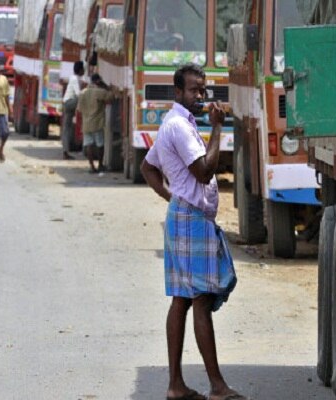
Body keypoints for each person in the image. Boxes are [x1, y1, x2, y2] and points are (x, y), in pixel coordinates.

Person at [140, 63, 246, 400]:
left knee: (183, 300)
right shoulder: (181, 128)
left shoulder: (175, 123)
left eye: (203, 90)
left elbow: (149, 166)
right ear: (178, 93)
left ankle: (176, 385)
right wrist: (218, 129)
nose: (200, 96)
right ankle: (216, 386)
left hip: (184, 216)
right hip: (190, 220)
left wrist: (171, 197)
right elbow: (204, 171)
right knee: (198, 299)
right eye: (194, 90)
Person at [76, 73, 116, 173]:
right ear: (98, 81)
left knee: (89, 144)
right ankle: (100, 165)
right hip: (97, 123)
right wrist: (107, 87)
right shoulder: (99, 92)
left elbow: (79, 109)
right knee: (100, 144)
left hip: (86, 123)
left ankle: (91, 166)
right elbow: (111, 97)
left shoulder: (83, 93)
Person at [61, 61, 85, 160]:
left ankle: (66, 150)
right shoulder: (75, 79)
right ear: (80, 70)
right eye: (83, 69)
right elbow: (78, 94)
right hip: (69, 103)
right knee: (67, 128)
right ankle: (65, 151)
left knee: (67, 128)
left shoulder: (74, 78)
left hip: (67, 103)